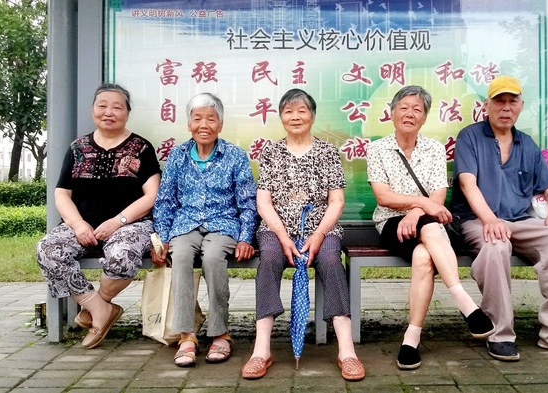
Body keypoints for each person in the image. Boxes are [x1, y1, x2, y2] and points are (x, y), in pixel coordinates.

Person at [451, 75, 548, 361]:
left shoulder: (527, 144)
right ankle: (500, 333)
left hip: (520, 221)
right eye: (499, 101)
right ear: (487, 105)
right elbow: (467, 184)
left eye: (512, 101)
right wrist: (490, 220)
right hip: (477, 221)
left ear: (521, 106)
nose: (506, 108)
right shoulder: (470, 136)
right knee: (496, 246)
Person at [366, 85, 495, 370]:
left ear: (424, 118)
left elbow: (438, 195)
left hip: (427, 224)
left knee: (424, 256)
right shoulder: (376, 149)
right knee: (430, 225)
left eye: (417, 110)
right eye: (404, 107)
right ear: (391, 113)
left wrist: (415, 212)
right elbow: (384, 197)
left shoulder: (435, 149)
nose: (410, 114)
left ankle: (411, 338)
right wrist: (417, 209)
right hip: (390, 223)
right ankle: (464, 301)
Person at [241, 89, 365, 381]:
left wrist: (320, 234)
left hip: (321, 228)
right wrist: (283, 235)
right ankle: (262, 350)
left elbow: (336, 201)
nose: (295, 117)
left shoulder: (327, 151)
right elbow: (263, 201)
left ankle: (347, 351)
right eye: (288, 111)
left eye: (302, 111)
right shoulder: (271, 151)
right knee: (269, 259)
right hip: (277, 228)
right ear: (281, 116)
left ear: (312, 116)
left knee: (331, 262)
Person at [36, 83, 161, 349]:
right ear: (93, 110)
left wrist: (118, 221)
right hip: (83, 225)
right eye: (102, 105)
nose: (109, 112)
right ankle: (100, 309)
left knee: (122, 255)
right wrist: (78, 223)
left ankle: (98, 307)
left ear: (127, 113)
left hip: (130, 224)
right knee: (48, 249)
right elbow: (62, 193)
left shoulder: (141, 148)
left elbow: (152, 195)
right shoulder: (78, 148)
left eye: (117, 107)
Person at [152, 93, 257, 367]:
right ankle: (187, 335)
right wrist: (162, 238)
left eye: (211, 119)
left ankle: (220, 333)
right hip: (185, 224)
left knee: (212, 257)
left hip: (223, 224)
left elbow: (247, 202)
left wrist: (246, 237)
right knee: (182, 257)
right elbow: (165, 200)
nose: (204, 125)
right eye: (197, 118)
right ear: (189, 124)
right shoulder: (177, 156)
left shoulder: (235, 156)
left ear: (220, 124)